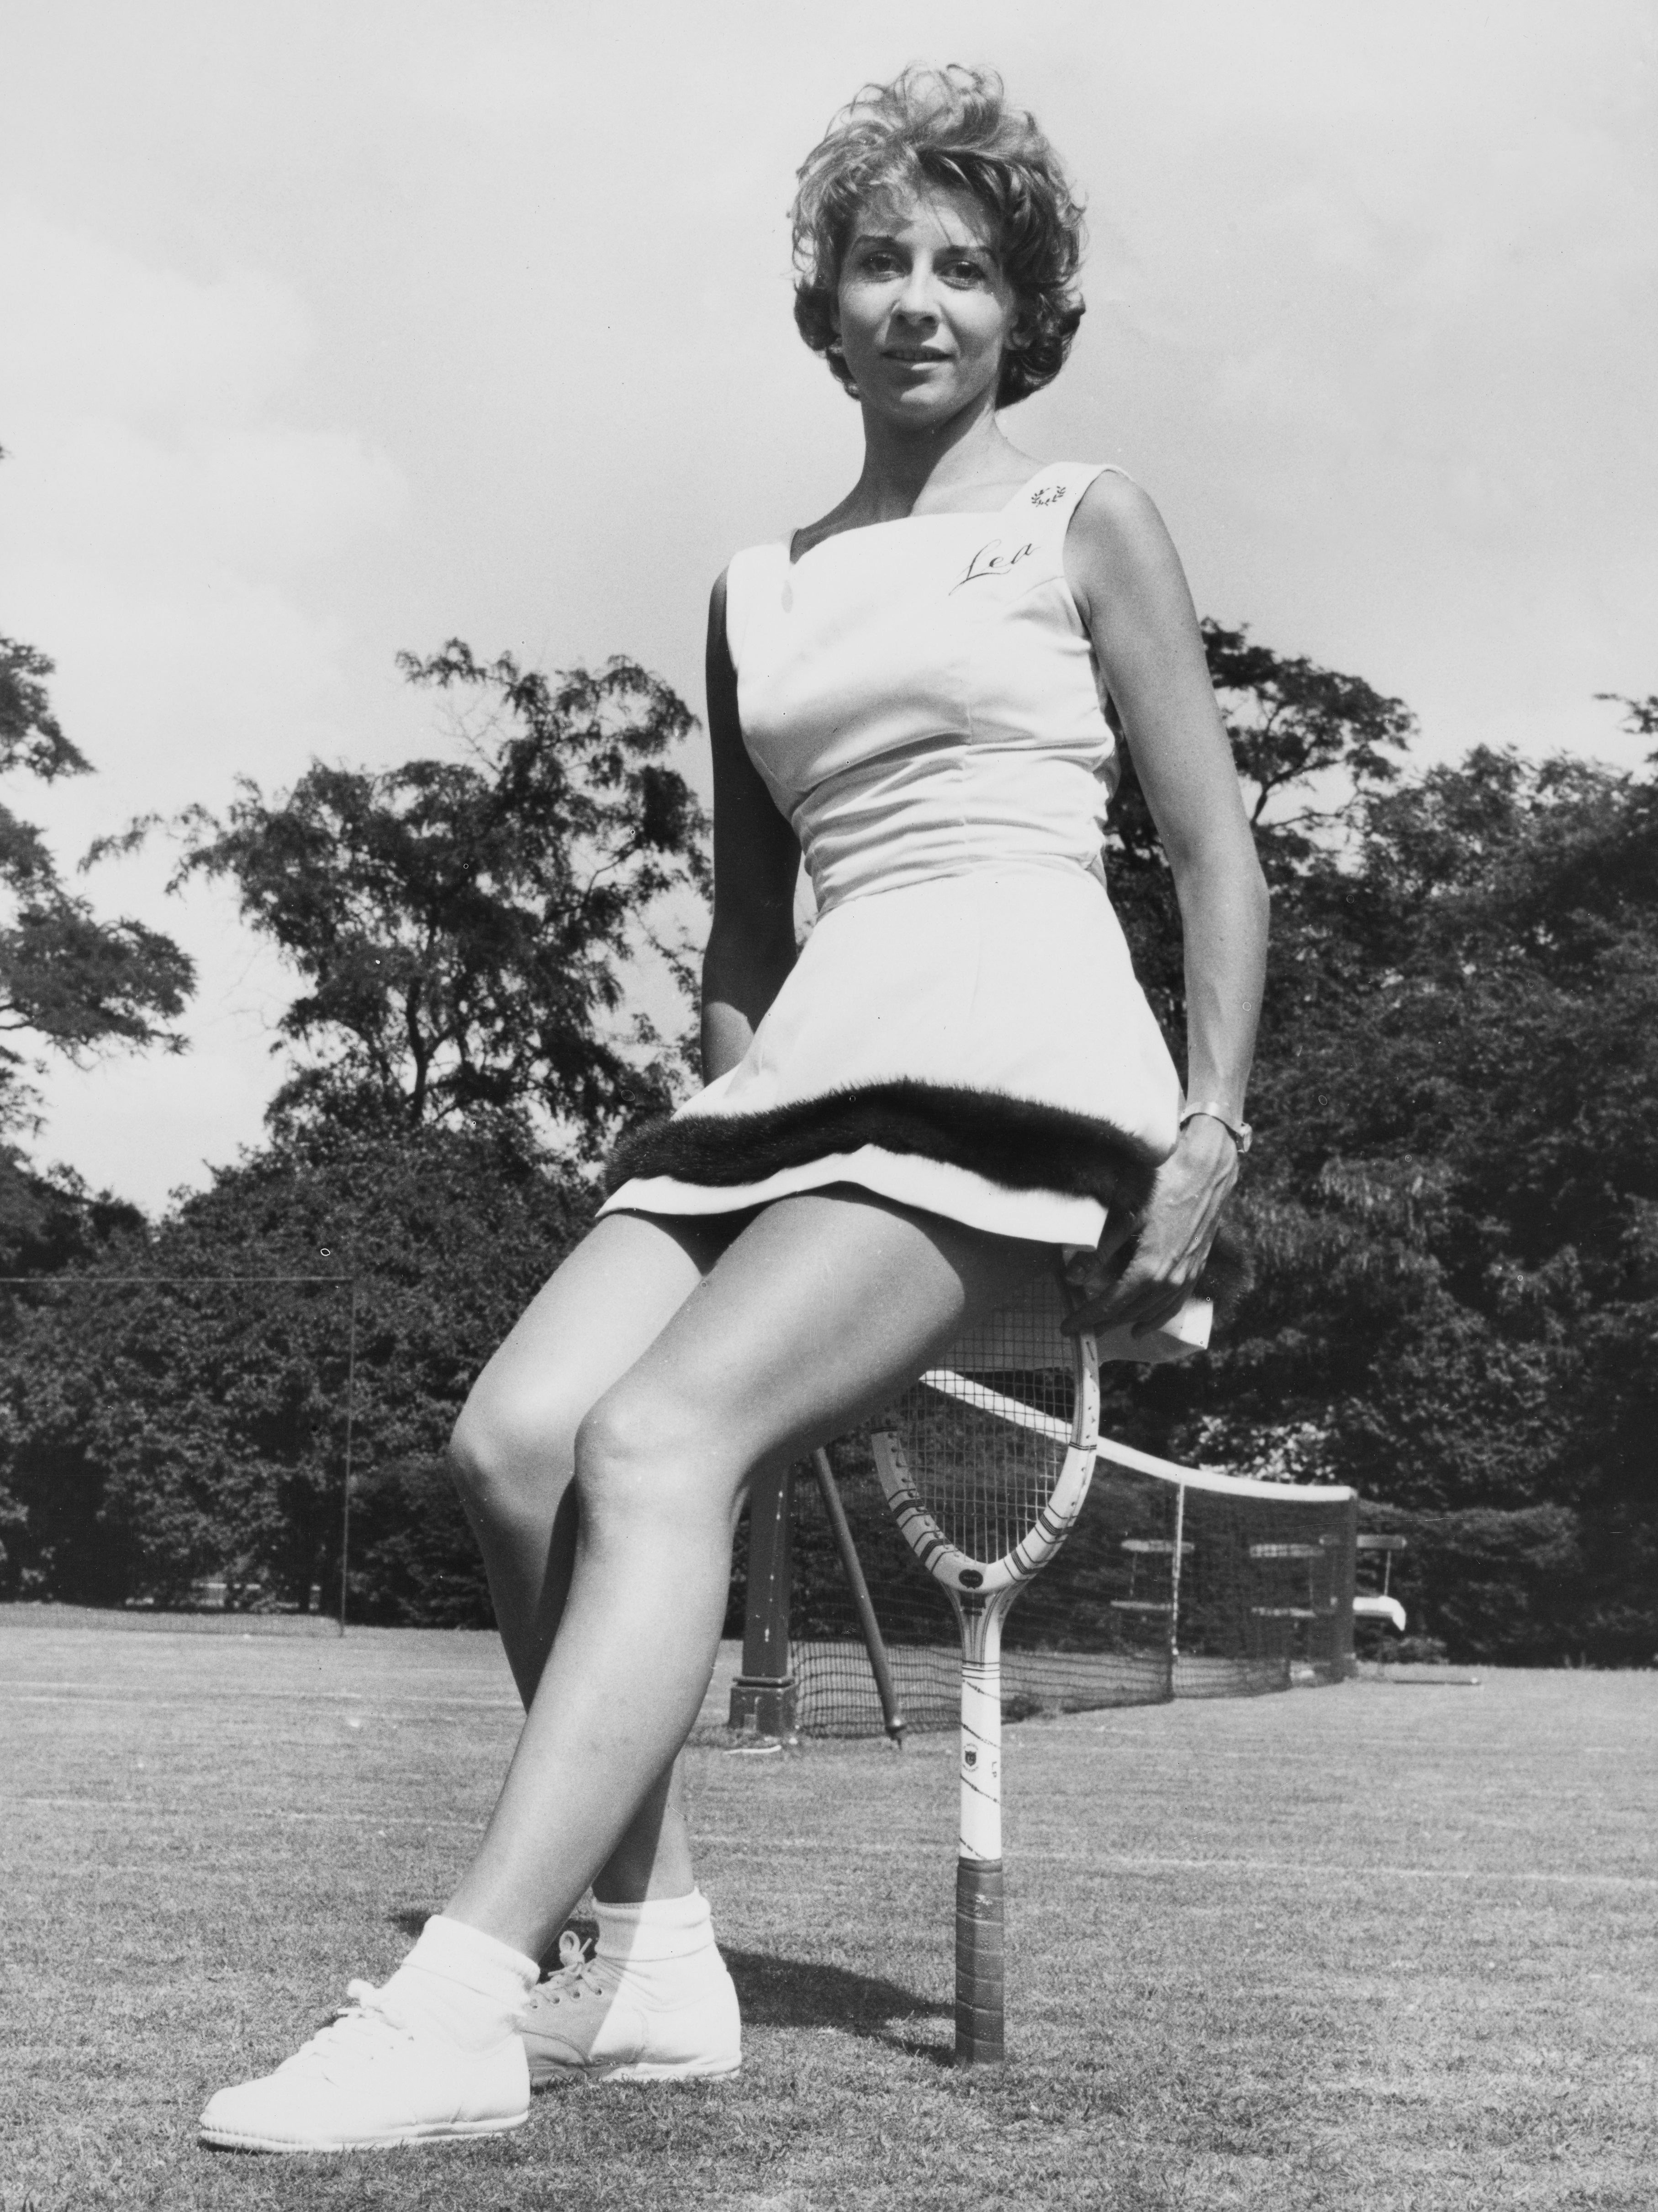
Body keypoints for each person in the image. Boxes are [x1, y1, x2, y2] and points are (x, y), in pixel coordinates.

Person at [199, 63, 1268, 2154]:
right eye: (881, 259)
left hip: (1020, 1060)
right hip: (796, 1085)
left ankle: (459, 2000)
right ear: (825, 302)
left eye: (968, 267)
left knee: (656, 1435)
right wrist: (739, 1125)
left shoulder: (1087, 520)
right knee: (513, 1443)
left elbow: (1214, 848)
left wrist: (1208, 1127)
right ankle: (660, 1947)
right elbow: (743, 920)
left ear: (1026, 308)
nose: (919, 301)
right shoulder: (752, 584)